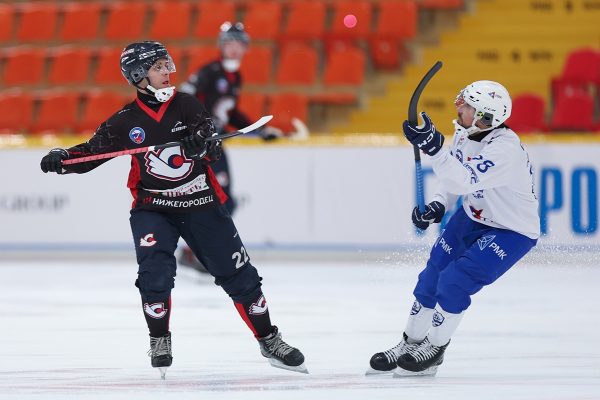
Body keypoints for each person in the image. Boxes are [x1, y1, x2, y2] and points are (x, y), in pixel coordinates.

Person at [39, 41, 307, 378]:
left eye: (168, 65)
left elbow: (212, 151)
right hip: (154, 208)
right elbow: (91, 154)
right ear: (138, 75)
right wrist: (61, 159)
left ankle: (269, 339)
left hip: (201, 203)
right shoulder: (125, 121)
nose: (168, 72)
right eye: (159, 67)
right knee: (155, 275)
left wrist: (199, 147)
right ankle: (159, 338)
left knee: (241, 277)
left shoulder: (188, 105)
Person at [367, 81, 540, 377]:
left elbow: (463, 180)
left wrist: (434, 148)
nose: (460, 108)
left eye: (468, 107)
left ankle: (435, 348)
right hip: (473, 217)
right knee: (432, 276)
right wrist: (437, 204)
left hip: (511, 231)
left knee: (455, 280)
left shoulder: (504, 150)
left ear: (486, 117)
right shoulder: (465, 134)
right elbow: (452, 180)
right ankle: (410, 343)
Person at [177, 21, 282, 273]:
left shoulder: (234, 77)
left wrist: (260, 130)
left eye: (238, 44)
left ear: (245, 48)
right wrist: (194, 131)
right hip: (202, 146)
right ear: (222, 46)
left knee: (224, 201)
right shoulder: (209, 72)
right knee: (215, 200)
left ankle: (194, 252)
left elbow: (230, 112)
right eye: (229, 43)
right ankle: (197, 252)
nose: (233, 49)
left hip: (215, 145)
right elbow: (182, 99)